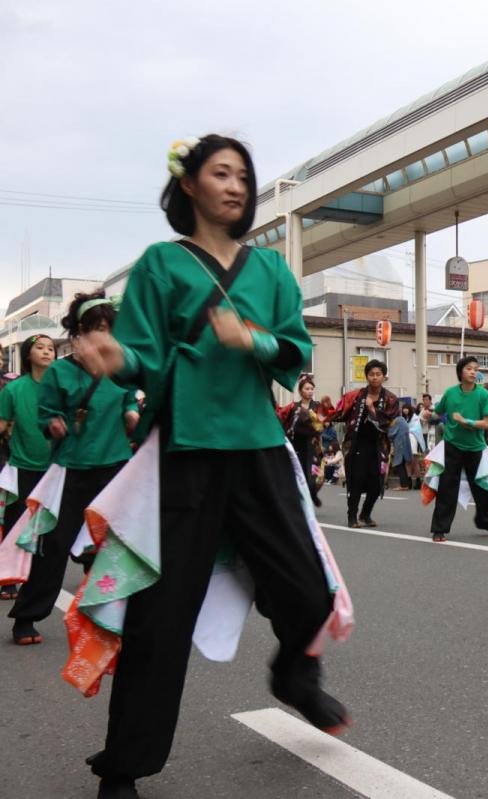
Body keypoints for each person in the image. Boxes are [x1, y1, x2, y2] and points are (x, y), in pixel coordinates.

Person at [69, 133, 349, 798]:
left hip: (256, 448)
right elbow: (141, 355)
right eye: (221, 173)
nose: (236, 186)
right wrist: (119, 362)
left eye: (243, 177)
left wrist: (249, 337)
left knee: (310, 590)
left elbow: (292, 353)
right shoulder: (161, 266)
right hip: (185, 455)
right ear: (189, 185)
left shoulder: (272, 272)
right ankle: (124, 766)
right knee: (159, 620)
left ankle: (293, 673)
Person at [7, 293, 137, 646]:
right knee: (54, 548)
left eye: (109, 329)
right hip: (71, 470)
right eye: (96, 329)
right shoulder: (60, 372)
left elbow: (129, 401)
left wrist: (131, 414)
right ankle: (27, 617)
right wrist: (54, 425)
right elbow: (45, 414)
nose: (103, 337)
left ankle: (116, 621)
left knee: (117, 549)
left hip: (114, 470)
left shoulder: (120, 370)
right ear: (78, 334)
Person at [0, 334, 56, 600]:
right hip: (22, 467)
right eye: (40, 348)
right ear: (27, 355)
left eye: (51, 348)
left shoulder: (62, 388)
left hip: (56, 470)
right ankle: (8, 579)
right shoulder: (13, 390)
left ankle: (35, 579)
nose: (47, 352)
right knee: (15, 526)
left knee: (51, 531)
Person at [429, 356, 488, 542]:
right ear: (460, 372)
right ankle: (439, 529)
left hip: (476, 447)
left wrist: (465, 421)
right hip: (452, 445)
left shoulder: (483, 395)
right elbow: (437, 413)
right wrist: (427, 415)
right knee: (447, 488)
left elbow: (486, 424)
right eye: (469, 368)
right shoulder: (450, 393)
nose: (473, 371)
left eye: (475, 369)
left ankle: (483, 519)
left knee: (483, 487)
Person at [330, 360, 399, 528]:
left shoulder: (391, 398)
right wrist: (326, 410)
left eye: (378, 374)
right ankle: (352, 516)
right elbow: (339, 413)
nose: (375, 378)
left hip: (379, 444)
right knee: (356, 480)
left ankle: (366, 513)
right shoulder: (354, 396)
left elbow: (389, 421)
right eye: (371, 374)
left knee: (377, 483)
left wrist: (372, 409)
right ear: (366, 376)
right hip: (357, 443)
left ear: (384, 376)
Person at [278, 374, 325, 506]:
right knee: (298, 476)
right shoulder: (293, 407)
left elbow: (325, 423)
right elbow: (283, 420)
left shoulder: (318, 406)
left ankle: (312, 493)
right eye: (307, 389)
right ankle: (301, 502)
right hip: (296, 445)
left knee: (314, 478)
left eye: (311, 389)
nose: (310, 391)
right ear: (300, 391)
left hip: (313, 445)